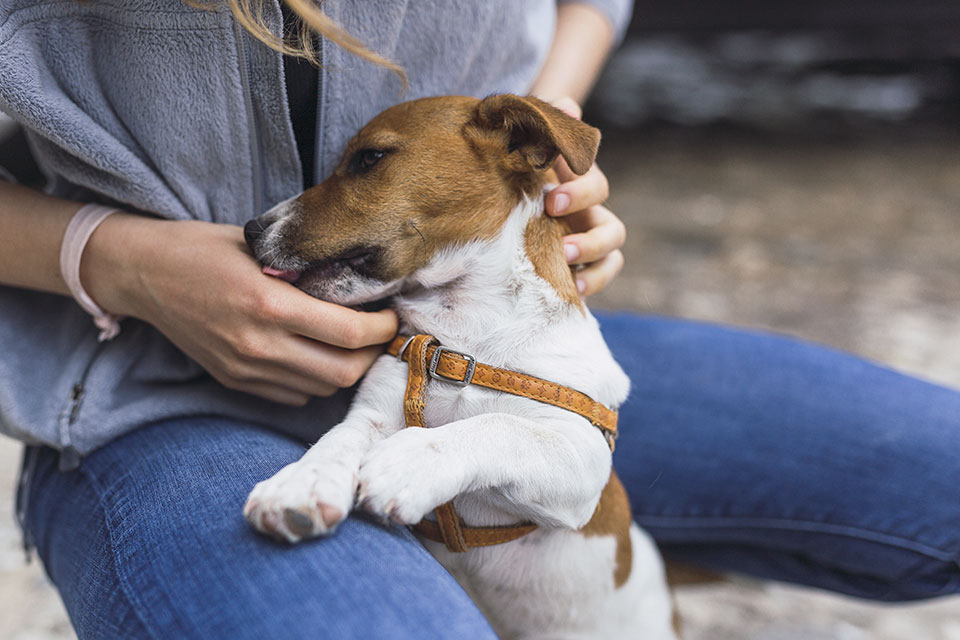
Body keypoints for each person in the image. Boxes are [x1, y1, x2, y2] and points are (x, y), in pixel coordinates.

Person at [0, 1, 957, 638]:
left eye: (365, 169)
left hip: (479, 358)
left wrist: (548, 130)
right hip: (154, 393)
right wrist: (107, 256)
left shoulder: (497, 168)